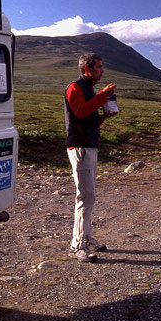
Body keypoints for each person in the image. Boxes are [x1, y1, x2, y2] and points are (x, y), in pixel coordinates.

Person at [64, 53, 117, 262]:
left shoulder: (90, 89)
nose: (102, 70)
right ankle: (77, 246)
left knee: (89, 195)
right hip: (80, 147)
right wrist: (102, 96)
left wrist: (103, 117)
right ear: (87, 68)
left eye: (102, 67)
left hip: (89, 146)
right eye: (99, 67)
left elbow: (88, 118)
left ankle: (86, 237)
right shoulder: (75, 88)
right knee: (85, 196)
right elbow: (80, 112)